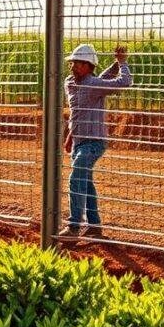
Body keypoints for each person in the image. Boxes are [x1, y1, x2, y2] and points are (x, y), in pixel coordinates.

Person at [59, 43, 131, 241]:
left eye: (79, 63)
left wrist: (122, 63)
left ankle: (74, 226)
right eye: (73, 62)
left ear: (89, 66)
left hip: (93, 143)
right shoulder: (70, 83)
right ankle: (94, 226)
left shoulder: (92, 85)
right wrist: (70, 136)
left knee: (76, 177)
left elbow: (124, 82)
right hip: (78, 141)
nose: (74, 66)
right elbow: (77, 112)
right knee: (86, 182)